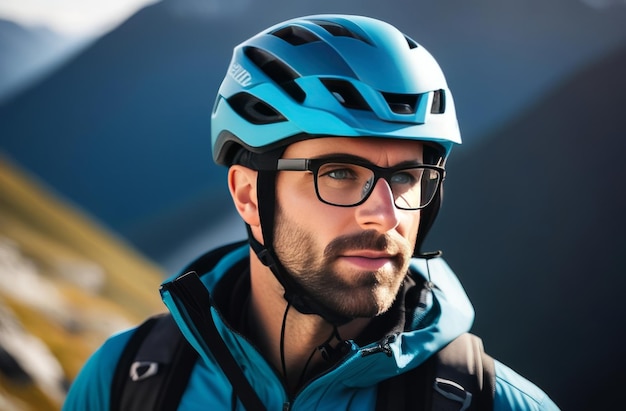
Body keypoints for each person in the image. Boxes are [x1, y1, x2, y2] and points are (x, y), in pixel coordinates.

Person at [63, 14, 560, 410]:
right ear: (247, 195)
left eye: (407, 176)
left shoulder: (502, 405)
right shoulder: (126, 381)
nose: (385, 216)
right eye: (339, 173)